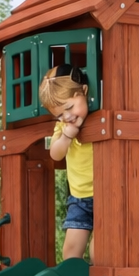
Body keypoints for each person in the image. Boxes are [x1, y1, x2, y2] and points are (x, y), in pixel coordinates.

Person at [39, 64, 93, 261]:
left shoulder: (100, 118)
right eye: (60, 114)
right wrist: (66, 136)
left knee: (100, 251)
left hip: (107, 196)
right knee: (70, 252)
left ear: (84, 92)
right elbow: (55, 153)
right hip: (79, 199)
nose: (67, 116)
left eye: (69, 107)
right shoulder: (63, 126)